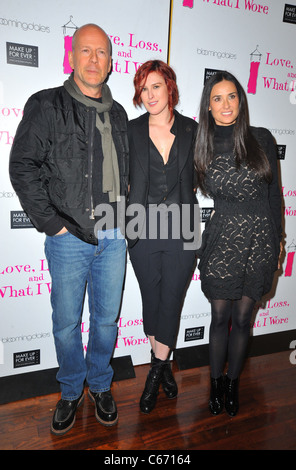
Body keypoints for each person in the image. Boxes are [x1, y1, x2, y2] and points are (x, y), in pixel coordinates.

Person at [9, 24, 129, 435]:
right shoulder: (46, 105)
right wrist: (53, 225)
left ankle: (99, 384)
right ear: (71, 56)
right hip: (69, 238)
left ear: (111, 63)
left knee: (107, 321)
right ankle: (70, 389)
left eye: (102, 53)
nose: (94, 60)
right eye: (86, 51)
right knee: (65, 322)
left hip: (115, 236)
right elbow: (22, 167)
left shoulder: (118, 113)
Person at [194, 71, 282, 417]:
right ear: (209, 106)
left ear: (241, 101)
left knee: (243, 320)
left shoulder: (262, 138)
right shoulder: (201, 144)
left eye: (232, 96)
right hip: (222, 240)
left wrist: (278, 241)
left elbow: (275, 197)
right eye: (217, 98)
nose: (226, 104)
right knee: (219, 317)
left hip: (260, 238)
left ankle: (232, 384)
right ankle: (214, 383)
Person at [127, 60, 199, 414]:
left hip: (182, 230)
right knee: (151, 301)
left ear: (169, 87)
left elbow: (204, 175)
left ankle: (155, 374)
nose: (150, 94)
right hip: (142, 229)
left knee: (172, 298)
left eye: (156, 86)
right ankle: (165, 364)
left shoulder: (192, 130)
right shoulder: (131, 130)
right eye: (144, 88)